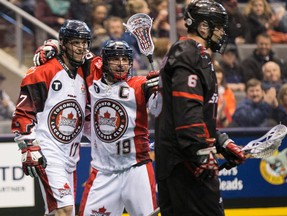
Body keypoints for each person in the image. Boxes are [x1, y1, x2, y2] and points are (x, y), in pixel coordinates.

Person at [32, 40, 159, 215]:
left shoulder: (139, 84)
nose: (121, 64)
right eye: (115, 59)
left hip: (136, 169)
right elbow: (73, 44)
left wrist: (159, 90)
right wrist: (51, 46)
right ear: (104, 62)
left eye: (125, 59)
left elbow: (157, 108)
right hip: (103, 172)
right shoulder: (93, 72)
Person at [153, 1, 246, 215]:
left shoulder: (192, 54)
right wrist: (200, 152)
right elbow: (187, 110)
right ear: (204, 27)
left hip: (179, 158)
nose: (222, 32)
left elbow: (192, 111)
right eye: (219, 27)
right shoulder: (189, 52)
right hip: (185, 162)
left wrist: (219, 140)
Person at [11, 20, 92, 216]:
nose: (81, 48)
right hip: (48, 149)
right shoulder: (43, 72)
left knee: (57, 211)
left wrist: (51, 44)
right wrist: (28, 145)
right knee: (65, 210)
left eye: (85, 42)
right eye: (75, 43)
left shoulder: (86, 70)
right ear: (63, 44)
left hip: (71, 155)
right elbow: (23, 112)